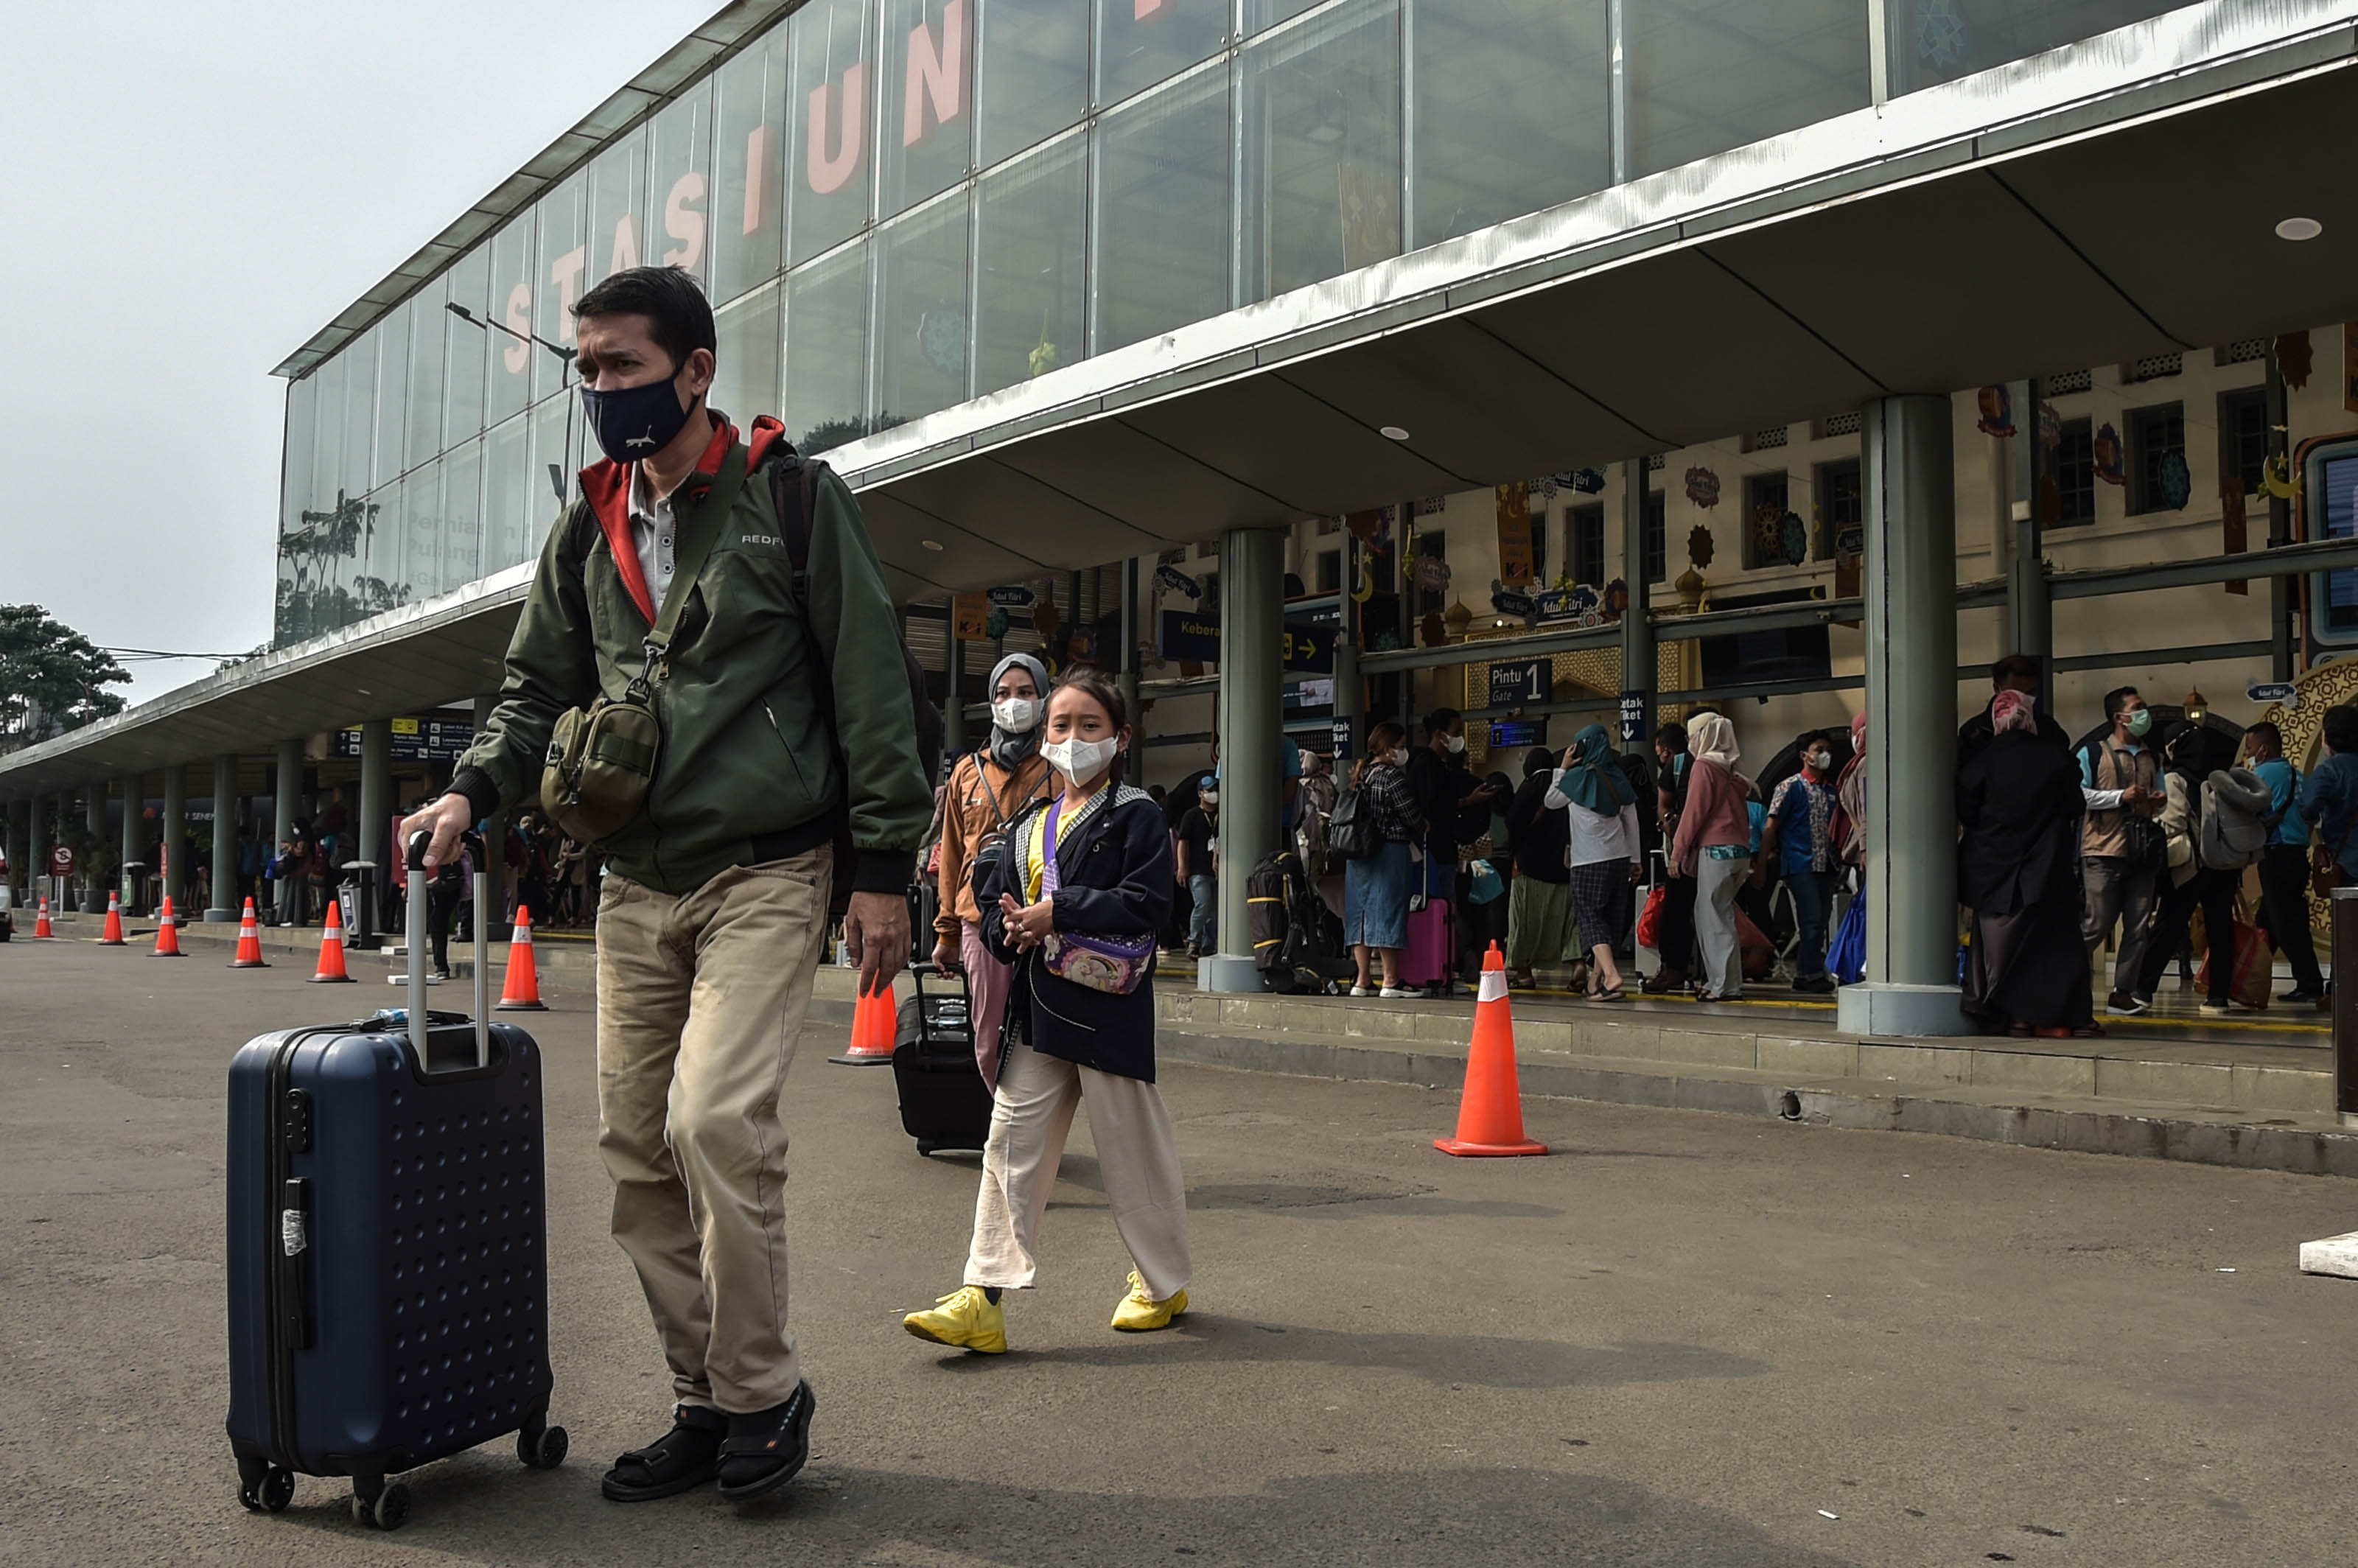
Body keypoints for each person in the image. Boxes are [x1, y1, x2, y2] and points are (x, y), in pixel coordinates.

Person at [402, 265, 931, 1505]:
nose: (602, 389)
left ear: (694, 373)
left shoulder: (791, 501)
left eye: (624, 366)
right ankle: (704, 1398)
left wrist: (884, 869)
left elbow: (870, 685)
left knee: (711, 1122)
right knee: (635, 1152)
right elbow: (534, 687)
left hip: (768, 865)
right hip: (634, 880)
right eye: (586, 369)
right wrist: (470, 792)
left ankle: (761, 1388)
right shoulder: (587, 524)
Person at [900, 670, 1189, 1354]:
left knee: (1133, 1156)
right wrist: (1013, 929)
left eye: (1090, 726)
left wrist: (1060, 911)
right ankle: (983, 1296)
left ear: (1121, 738)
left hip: (1109, 1013)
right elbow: (997, 916)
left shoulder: (1138, 814)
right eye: (1061, 726)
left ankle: (1164, 1282)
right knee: (1007, 1148)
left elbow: (1151, 907)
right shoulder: (1027, 824)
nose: (1071, 738)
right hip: (1040, 1012)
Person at [931, 653, 1055, 1091]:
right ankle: (1000, 1128)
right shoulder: (968, 772)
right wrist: (946, 934)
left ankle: (1030, 1136)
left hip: (1046, 921)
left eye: (1026, 693)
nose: (1014, 702)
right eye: (1003, 694)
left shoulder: (1060, 768)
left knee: (1045, 1039)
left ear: (1043, 701)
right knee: (988, 1039)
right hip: (980, 922)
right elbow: (951, 857)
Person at [1957, 690, 2096, 1037]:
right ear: (2029, 718)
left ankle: (2012, 1017)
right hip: (2046, 866)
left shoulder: (1980, 759)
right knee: (2054, 945)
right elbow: (2075, 805)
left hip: (1992, 869)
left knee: (1999, 947)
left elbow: (1966, 810)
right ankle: (2062, 1019)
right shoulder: (2054, 757)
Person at [2134, 721, 2243, 1016]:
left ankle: (2143, 990)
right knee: (2220, 930)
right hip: (2223, 864)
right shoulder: (2220, 778)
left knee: (2168, 926)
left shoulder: (2175, 779)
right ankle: (2218, 997)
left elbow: (2174, 822)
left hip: (2191, 866)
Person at [2078, 686, 2165, 1016]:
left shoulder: (2152, 757)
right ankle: (2069, 979)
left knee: (2138, 926)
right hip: (2102, 848)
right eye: (2138, 707)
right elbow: (2079, 794)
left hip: (2141, 852)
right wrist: (2119, 797)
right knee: (2096, 923)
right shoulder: (2093, 753)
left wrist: (2156, 800)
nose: (2145, 713)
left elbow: (2163, 796)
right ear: (2119, 717)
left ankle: (2123, 992)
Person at [1546, 724, 1641, 1001]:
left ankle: (1612, 975)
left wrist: (1562, 767)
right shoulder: (1619, 777)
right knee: (1609, 920)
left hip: (1588, 860)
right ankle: (1596, 982)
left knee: (1589, 917)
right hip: (1619, 857)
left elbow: (1551, 801)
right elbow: (1631, 823)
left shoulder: (1576, 779)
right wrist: (1635, 859)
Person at [1668, 713, 1753, 1002]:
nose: (1691, 742)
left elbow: (1694, 812)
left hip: (1716, 851)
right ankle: (1728, 983)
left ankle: (1721, 986)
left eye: (1693, 736)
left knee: (1713, 918)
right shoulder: (1733, 768)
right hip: (1740, 852)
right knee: (1722, 916)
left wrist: (1677, 852)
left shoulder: (1705, 766)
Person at [2245, 721, 2326, 1005]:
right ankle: (2249, 978)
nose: (2249, 753)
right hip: (2297, 856)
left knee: (2286, 924)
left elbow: (2246, 810)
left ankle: (2310, 983)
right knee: (2268, 920)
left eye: (2251, 748)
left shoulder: (2263, 773)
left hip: (2277, 855)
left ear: (2264, 749)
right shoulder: (2297, 774)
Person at [1341, 721, 1422, 996]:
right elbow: (1410, 815)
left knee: (1360, 916)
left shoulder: (1359, 774)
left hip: (1358, 854)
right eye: (1399, 747)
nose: (1403, 752)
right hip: (1388, 850)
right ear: (1387, 750)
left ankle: (1362, 980)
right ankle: (1391, 979)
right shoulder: (1391, 776)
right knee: (1389, 912)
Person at [1760, 730, 1840, 993]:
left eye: (1827, 749)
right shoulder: (1789, 787)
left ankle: (1806, 972)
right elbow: (1771, 826)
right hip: (1799, 863)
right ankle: (1812, 972)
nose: (1824, 754)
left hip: (1826, 864)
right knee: (1812, 918)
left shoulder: (1831, 789)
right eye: (1819, 749)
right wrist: (1762, 862)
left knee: (1819, 919)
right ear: (1804, 755)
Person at [1404, 707, 1502, 911]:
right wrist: (1468, 801)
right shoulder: (1428, 765)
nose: (1460, 738)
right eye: (1456, 732)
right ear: (1439, 734)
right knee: (1441, 910)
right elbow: (1432, 805)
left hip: (1440, 850)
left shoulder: (1437, 765)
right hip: (1433, 853)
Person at [1502, 746, 1574, 989]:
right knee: (1566, 922)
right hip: (1564, 867)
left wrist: (1514, 854)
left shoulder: (1530, 786)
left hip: (1530, 867)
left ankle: (1524, 974)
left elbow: (1513, 823)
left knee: (1523, 920)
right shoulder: (1564, 786)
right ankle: (1579, 968)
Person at [1644, 721, 1697, 993]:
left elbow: (1663, 806)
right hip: (1704, 848)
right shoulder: (1717, 764)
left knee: (1676, 910)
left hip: (1685, 849)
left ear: (1664, 749)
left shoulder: (1676, 767)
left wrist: (1671, 830)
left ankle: (1673, 968)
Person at [2301, 707, 2358, 942]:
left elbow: (2309, 809)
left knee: (2348, 933)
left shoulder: (2330, 771)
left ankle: (2343, 979)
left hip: (2347, 864)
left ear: (2327, 737)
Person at [1957, 652, 2068, 763]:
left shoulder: (2049, 728)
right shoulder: (1974, 732)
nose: (2023, 699)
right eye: (2017, 693)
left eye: (2030, 692)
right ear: (1997, 688)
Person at [1175, 778, 1220, 958]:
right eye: (1209, 790)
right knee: (1203, 904)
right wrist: (1182, 867)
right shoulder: (1192, 815)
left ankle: (1209, 946)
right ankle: (1194, 941)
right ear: (1200, 793)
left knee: (1215, 911)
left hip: (1218, 870)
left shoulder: (1223, 814)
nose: (1214, 793)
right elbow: (1183, 842)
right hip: (1197, 869)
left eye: (1216, 789)